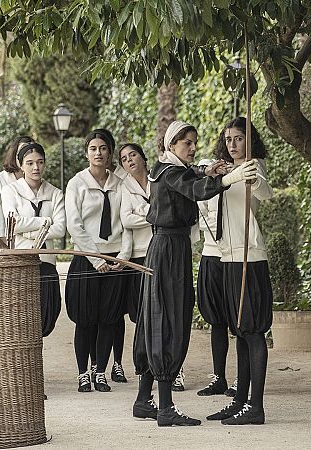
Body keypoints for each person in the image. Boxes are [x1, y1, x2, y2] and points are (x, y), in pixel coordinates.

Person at [132, 120, 258, 427]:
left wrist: (207, 170)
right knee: (168, 319)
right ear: (172, 145)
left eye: (194, 142)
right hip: (169, 251)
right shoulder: (171, 172)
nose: (192, 148)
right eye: (187, 143)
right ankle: (164, 408)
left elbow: (191, 176)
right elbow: (194, 188)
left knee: (158, 317)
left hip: (167, 247)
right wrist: (230, 177)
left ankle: (143, 401)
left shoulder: (165, 168)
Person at [206, 116, 273, 425]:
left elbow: (264, 193)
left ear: (249, 141)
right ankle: (240, 400)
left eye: (238, 138)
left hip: (250, 256)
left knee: (253, 330)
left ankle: (255, 407)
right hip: (228, 257)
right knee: (240, 331)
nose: (232, 144)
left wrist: (251, 178)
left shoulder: (253, 166)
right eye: (228, 139)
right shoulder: (224, 170)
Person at [65, 130, 132, 393]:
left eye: (103, 148)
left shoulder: (120, 184)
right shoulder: (77, 184)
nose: (98, 153)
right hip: (87, 259)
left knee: (109, 318)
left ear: (110, 152)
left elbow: (127, 224)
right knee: (86, 319)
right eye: (93, 148)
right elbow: (75, 224)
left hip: (114, 259)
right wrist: (95, 259)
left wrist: (123, 257)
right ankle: (83, 373)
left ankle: (100, 371)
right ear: (86, 152)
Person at [1, 142, 66, 337]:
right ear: (20, 165)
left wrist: (29, 232)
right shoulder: (10, 191)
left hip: (46, 262)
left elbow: (60, 229)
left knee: (45, 317)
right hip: (21, 262)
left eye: (40, 162)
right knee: (21, 319)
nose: (35, 167)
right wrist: (45, 221)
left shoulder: (55, 193)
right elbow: (13, 223)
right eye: (29, 163)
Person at [195, 154, 234, 397]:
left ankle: (243, 378)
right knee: (216, 320)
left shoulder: (232, 184)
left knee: (239, 321)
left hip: (233, 256)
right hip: (211, 254)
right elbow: (199, 220)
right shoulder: (205, 188)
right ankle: (219, 377)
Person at [116, 143, 152, 384]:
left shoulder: (158, 180)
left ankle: (174, 368)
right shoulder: (123, 187)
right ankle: (143, 368)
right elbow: (126, 219)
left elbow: (170, 211)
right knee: (141, 314)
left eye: (133, 155)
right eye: (124, 158)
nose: (130, 160)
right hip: (137, 256)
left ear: (142, 157)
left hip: (161, 252)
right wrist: (153, 213)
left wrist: (143, 210)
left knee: (164, 313)